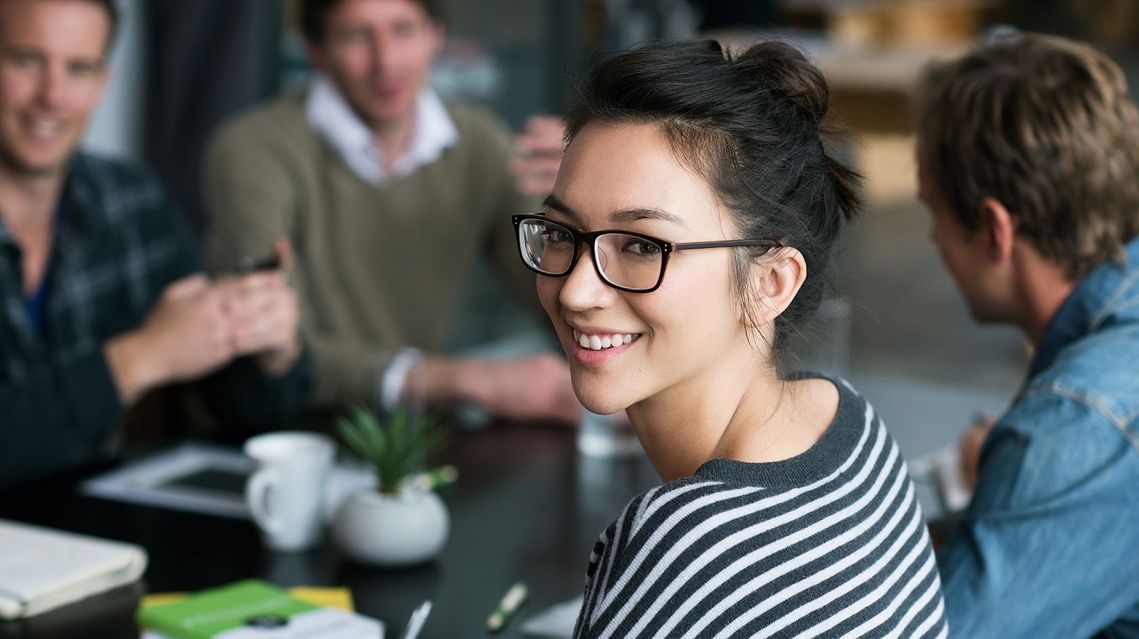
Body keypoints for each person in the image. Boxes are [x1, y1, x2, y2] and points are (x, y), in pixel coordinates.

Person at [515, 38, 947, 637]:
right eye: (561, 232)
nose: (575, 291)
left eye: (642, 246)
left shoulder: (682, 548)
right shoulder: (849, 425)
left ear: (770, 282)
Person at [205, 0, 579, 424]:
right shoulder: (255, 148)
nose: (386, 61)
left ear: (435, 35)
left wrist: (581, 208)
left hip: (410, 436)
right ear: (317, 51)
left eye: (403, 30)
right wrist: (471, 380)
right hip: (285, 432)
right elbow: (274, 345)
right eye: (355, 36)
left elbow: (557, 300)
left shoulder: (478, 142)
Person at [0, 0, 310, 485]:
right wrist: (141, 357)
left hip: (97, 537)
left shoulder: (134, 202)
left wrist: (266, 348)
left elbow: (236, 410)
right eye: (26, 61)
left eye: (79, 69)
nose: (53, 96)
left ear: (103, 82)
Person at [916, 33, 1139, 637]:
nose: (934, 238)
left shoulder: (1075, 425)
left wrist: (1028, 470)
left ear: (993, 229)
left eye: (933, 212)